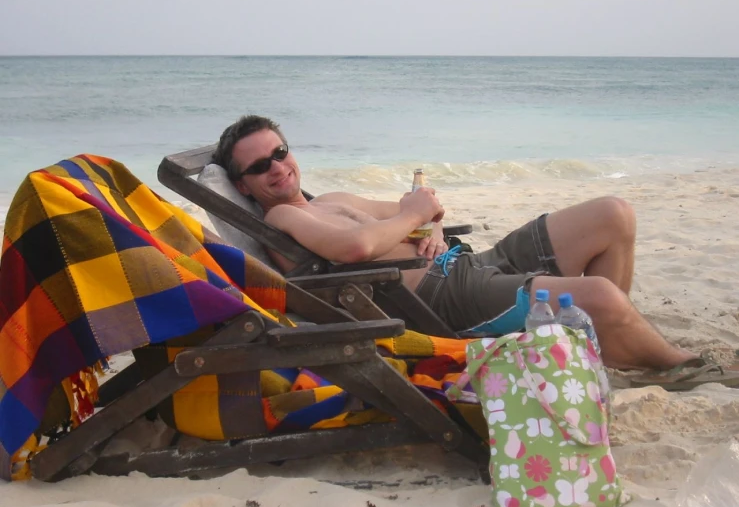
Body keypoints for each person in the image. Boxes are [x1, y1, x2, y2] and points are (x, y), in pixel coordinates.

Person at [212, 115, 696, 371]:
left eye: (279, 152)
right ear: (243, 186)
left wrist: (430, 221)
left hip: (470, 264)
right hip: (449, 300)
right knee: (603, 297)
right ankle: (678, 364)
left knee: (613, 214)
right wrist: (415, 215)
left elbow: (415, 208)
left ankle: (605, 347)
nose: (276, 167)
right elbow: (356, 248)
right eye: (259, 167)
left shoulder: (330, 198)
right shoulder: (281, 219)